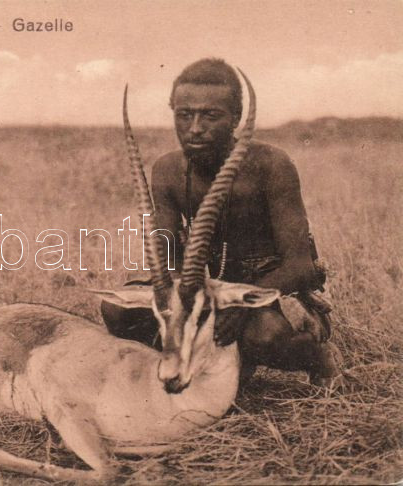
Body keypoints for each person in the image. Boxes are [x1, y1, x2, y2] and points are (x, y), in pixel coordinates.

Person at [102, 58, 341, 387]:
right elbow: (168, 254)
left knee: (266, 336)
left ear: (235, 119)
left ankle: (316, 357)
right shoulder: (168, 170)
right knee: (117, 309)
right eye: (185, 115)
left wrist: (242, 304)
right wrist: (179, 299)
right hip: (204, 289)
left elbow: (301, 267)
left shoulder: (271, 165)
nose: (195, 128)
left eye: (210, 115)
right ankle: (201, 363)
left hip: (267, 289)